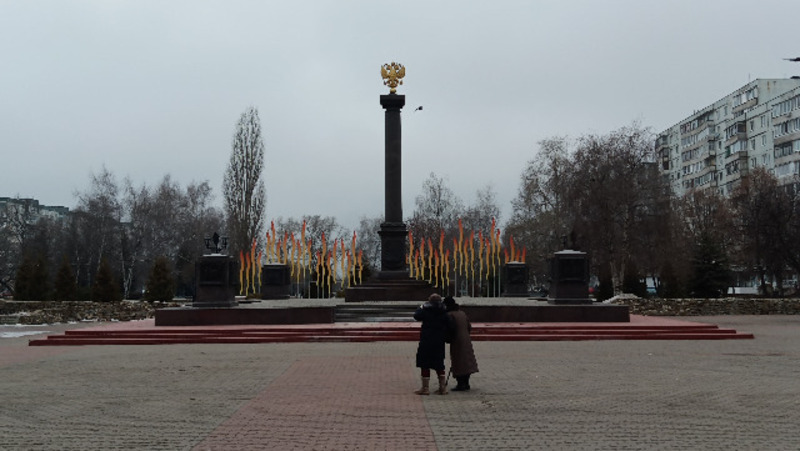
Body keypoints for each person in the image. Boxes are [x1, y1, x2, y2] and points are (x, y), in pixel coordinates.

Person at [413, 293, 451, 395]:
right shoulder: (443, 311)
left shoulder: (426, 310)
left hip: (427, 340)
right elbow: (450, 324)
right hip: (439, 341)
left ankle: (425, 388)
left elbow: (416, 316)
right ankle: (442, 388)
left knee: (424, 364)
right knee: (439, 364)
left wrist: (421, 307)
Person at [443, 296, 478, 391]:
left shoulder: (449, 315)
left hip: (457, 341)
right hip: (466, 339)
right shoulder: (462, 313)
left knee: (458, 361)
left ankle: (461, 384)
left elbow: (450, 329)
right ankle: (466, 383)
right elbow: (469, 326)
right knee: (467, 361)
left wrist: (447, 338)